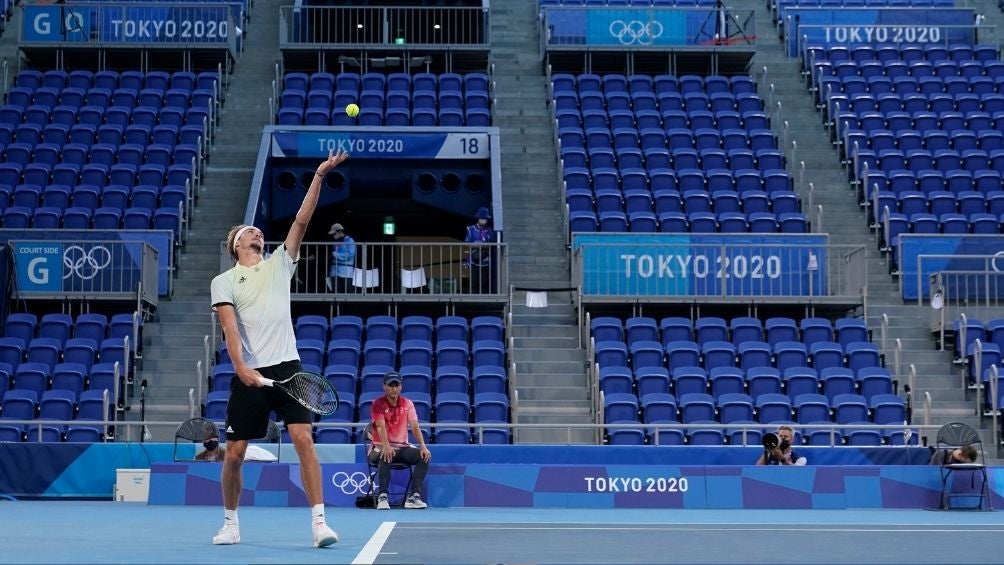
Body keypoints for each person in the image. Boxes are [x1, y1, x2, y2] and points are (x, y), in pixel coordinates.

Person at [209, 149, 349, 547]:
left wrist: (319, 175)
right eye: (247, 231)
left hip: (289, 369)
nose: (256, 231)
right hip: (251, 374)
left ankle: (320, 524)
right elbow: (229, 330)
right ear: (236, 245)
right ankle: (230, 523)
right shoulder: (225, 281)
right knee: (234, 452)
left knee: (304, 440)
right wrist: (241, 369)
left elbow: (302, 219)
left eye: (256, 229)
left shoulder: (279, 263)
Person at [369, 371, 431, 510]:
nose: (394, 388)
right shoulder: (377, 404)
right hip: (378, 447)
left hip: (401, 448)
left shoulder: (407, 403)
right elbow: (380, 426)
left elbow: (415, 426)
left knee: (424, 456)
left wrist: (422, 446)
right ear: (384, 386)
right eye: (390, 385)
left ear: (401, 387)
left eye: (396, 385)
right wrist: (386, 446)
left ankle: (414, 496)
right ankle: (383, 496)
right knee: (386, 453)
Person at [463, 206, 495, 294]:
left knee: (484, 283)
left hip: (485, 260)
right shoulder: (471, 229)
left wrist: (483, 245)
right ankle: (472, 301)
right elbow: (466, 243)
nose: (484, 220)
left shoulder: (489, 230)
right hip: (474, 259)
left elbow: (491, 242)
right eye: (482, 218)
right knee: (474, 282)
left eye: (485, 219)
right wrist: (477, 244)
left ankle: (484, 302)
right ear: (479, 218)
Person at [327, 222, 356, 293]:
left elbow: (350, 254)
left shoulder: (350, 240)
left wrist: (336, 254)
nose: (333, 236)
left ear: (340, 231)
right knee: (335, 293)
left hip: (346, 272)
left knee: (348, 293)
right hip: (334, 272)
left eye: (334, 234)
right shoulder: (335, 242)